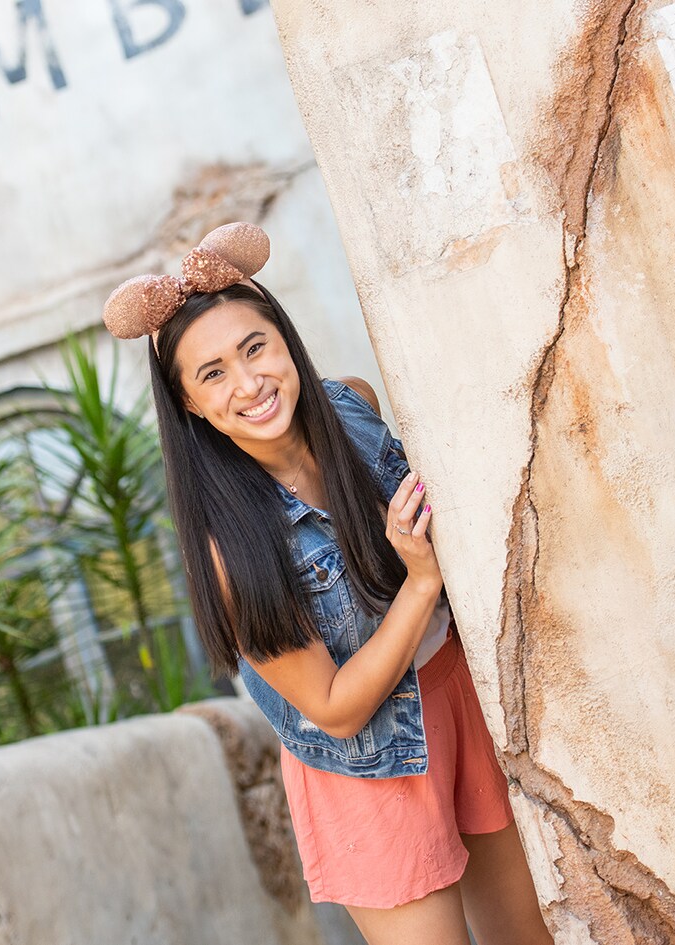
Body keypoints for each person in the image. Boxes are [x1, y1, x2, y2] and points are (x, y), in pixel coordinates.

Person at [102, 223, 553, 944]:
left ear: (286, 341)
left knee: (530, 933)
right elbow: (336, 707)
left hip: (457, 697)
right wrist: (420, 581)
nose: (248, 383)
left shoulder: (352, 405)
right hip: (366, 763)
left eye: (255, 348)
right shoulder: (231, 551)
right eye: (212, 373)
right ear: (188, 402)